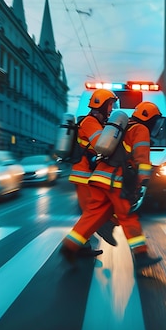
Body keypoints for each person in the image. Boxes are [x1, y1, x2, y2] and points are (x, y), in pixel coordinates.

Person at [60, 101, 163, 271]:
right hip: (116, 181)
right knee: (128, 215)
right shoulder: (140, 129)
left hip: (99, 178)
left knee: (92, 216)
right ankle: (141, 254)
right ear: (149, 119)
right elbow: (142, 158)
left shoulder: (124, 126)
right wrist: (144, 181)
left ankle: (69, 246)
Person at [67, 89, 119, 257]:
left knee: (90, 213)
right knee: (93, 212)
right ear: (102, 105)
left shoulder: (97, 122)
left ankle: (82, 246)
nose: (111, 108)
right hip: (83, 175)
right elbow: (100, 145)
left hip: (87, 174)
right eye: (110, 104)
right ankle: (71, 247)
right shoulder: (90, 122)